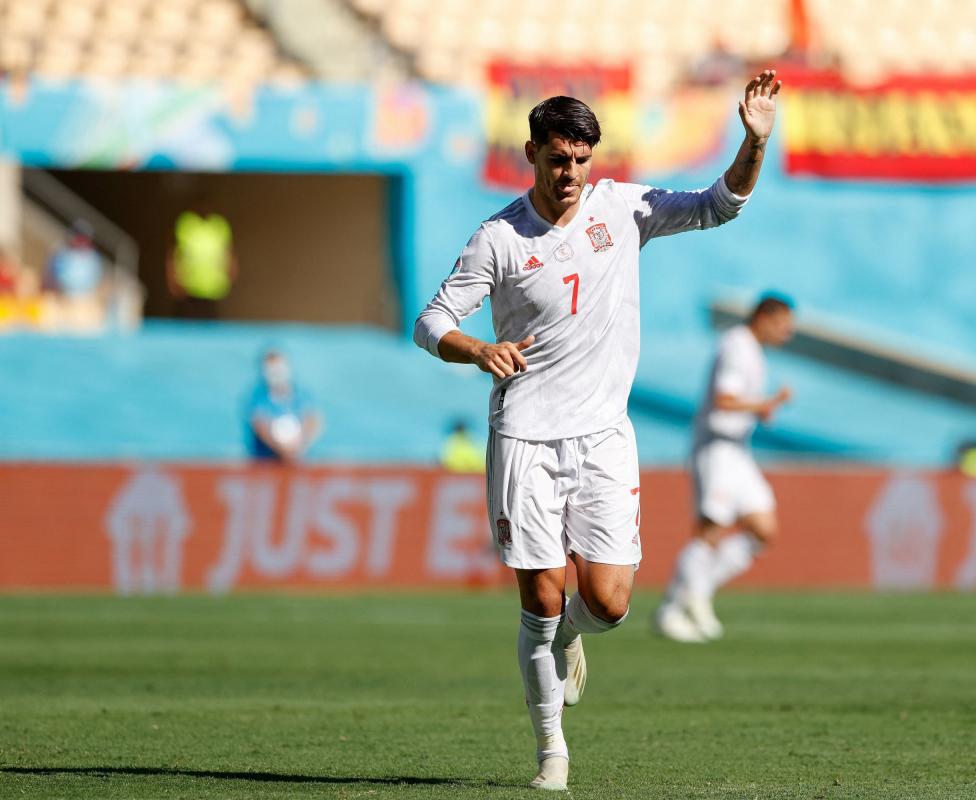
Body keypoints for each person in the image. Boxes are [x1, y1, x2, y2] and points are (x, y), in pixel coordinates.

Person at [412, 70, 782, 791]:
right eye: (559, 159)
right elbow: (431, 322)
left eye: (582, 159)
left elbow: (721, 204)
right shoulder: (498, 238)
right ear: (531, 153)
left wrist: (755, 142)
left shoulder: (624, 208)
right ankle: (552, 750)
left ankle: (574, 638)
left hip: (604, 437)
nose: (572, 173)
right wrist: (478, 349)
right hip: (524, 436)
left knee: (608, 604)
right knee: (541, 600)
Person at [654, 295, 795, 643]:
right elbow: (724, 399)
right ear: (763, 317)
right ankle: (674, 610)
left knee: (763, 529)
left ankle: (695, 592)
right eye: (783, 325)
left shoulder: (753, 351)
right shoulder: (737, 346)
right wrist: (763, 404)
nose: (786, 333)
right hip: (716, 448)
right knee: (710, 530)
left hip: (738, 450)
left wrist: (760, 409)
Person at [245, 348, 322, 463]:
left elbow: (313, 420)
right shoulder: (258, 398)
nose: (276, 373)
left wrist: (300, 446)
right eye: (272, 370)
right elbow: (260, 424)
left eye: (279, 367)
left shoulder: (301, 395)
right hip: (265, 462)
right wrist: (284, 450)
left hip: (299, 460)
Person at [167, 208, 237, 319]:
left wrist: (230, 273)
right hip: (188, 290)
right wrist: (173, 279)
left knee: (210, 323)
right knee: (186, 322)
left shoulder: (219, 226)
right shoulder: (186, 224)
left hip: (212, 291)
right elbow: (175, 254)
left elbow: (228, 253)